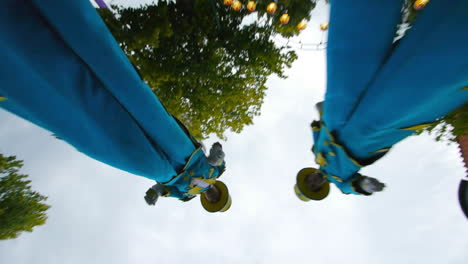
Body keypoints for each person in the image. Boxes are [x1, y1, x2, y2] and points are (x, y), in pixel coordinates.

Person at [295, 0, 468, 201]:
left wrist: (322, 112)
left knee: (349, 58)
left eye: (309, 182)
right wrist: (365, 185)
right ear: (320, 189)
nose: (314, 182)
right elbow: (354, 185)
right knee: (405, 96)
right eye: (314, 187)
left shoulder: (317, 151)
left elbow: (317, 127)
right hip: (364, 141)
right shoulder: (340, 180)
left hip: (337, 115)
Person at [144, 142, 232, 212]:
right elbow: (217, 146)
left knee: (150, 169)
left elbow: (168, 190)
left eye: (212, 201)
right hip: (187, 154)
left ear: (207, 200)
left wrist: (156, 192)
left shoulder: (187, 196)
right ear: (219, 190)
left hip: (166, 170)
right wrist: (218, 155)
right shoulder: (217, 171)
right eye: (218, 197)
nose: (213, 198)